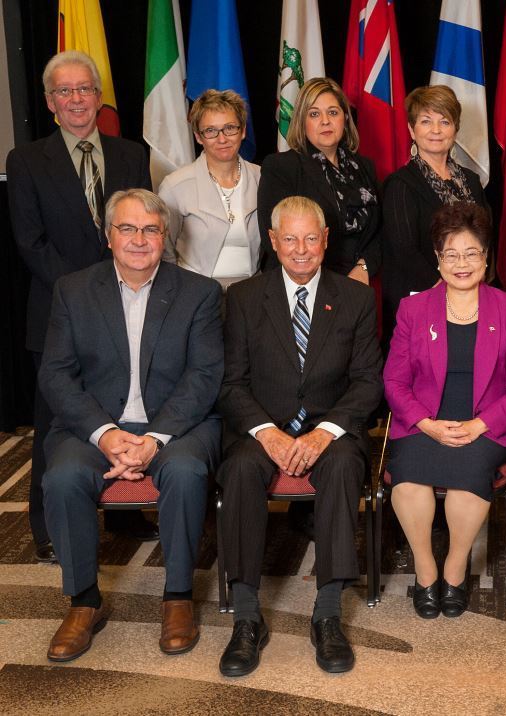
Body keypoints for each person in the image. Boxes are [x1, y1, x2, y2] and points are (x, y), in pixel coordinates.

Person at [38, 189, 223, 662]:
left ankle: (178, 597)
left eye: (150, 229)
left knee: (184, 473)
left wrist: (153, 439)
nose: (139, 239)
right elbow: (56, 373)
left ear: (165, 237)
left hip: (175, 425)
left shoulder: (200, 292)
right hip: (96, 425)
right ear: (108, 236)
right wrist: (106, 434)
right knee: (61, 478)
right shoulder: (73, 290)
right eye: (127, 228)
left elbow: (204, 376)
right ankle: (83, 601)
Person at [216, 196, 383, 677]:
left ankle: (327, 612)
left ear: (326, 239)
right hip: (262, 426)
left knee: (345, 465)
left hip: (331, 427)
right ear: (273, 242)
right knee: (243, 467)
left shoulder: (354, 298)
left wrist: (323, 434)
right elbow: (231, 383)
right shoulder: (244, 298)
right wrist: (267, 434)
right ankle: (247, 616)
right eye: (290, 239)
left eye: (312, 238)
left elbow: (368, 379)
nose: (302, 249)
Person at [6, 50, 154, 563]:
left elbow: (143, 233)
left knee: (123, 406)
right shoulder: (25, 160)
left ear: (98, 96)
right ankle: (47, 527)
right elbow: (30, 241)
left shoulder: (132, 154)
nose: (76, 99)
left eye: (84, 88)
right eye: (64, 91)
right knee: (54, 421)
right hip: (56, 310)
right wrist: (85, 292)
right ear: (50, 102)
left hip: (128, 308)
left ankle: (126, 510)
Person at [383, 203, 506, 619]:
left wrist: (479, 425)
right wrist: (428, 424)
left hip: (485, 423)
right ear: (438, 259)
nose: (461, 264)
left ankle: (454, 569)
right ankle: (426, 570)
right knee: (409, 484)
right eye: (451, 254)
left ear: (486, 257)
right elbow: (394, 383)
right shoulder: (413, 310)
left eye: (471, 253)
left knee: (469, 480)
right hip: (423, 422)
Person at [258, 77, 380, 283]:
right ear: (301, 121)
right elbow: (275, 238)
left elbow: (381, 231)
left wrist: (364, 267)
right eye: (314, 114)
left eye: (333, 112)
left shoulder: (365, 167)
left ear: (345, 118)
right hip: (302, 284)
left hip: (360, 286)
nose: (325, 121)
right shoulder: (281, 167)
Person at [382, 85, 488, 319]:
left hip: (472, 296)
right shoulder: (400, 184)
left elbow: (484, 236)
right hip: (422, 299)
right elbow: (404, 251)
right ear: (412, 129)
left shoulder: (471, 180)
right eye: (426, 121)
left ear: (456, 129)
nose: (436, 130)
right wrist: (446, 289)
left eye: (445, 122)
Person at [159, 89, 261, 289]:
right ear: (198, 136)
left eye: (230, 128)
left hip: (253, 291)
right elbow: (164, 249)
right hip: (195, 292)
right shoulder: (175, 186)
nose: (222, 139)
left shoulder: (263, 178)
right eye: (211, 131)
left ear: (243, 131)